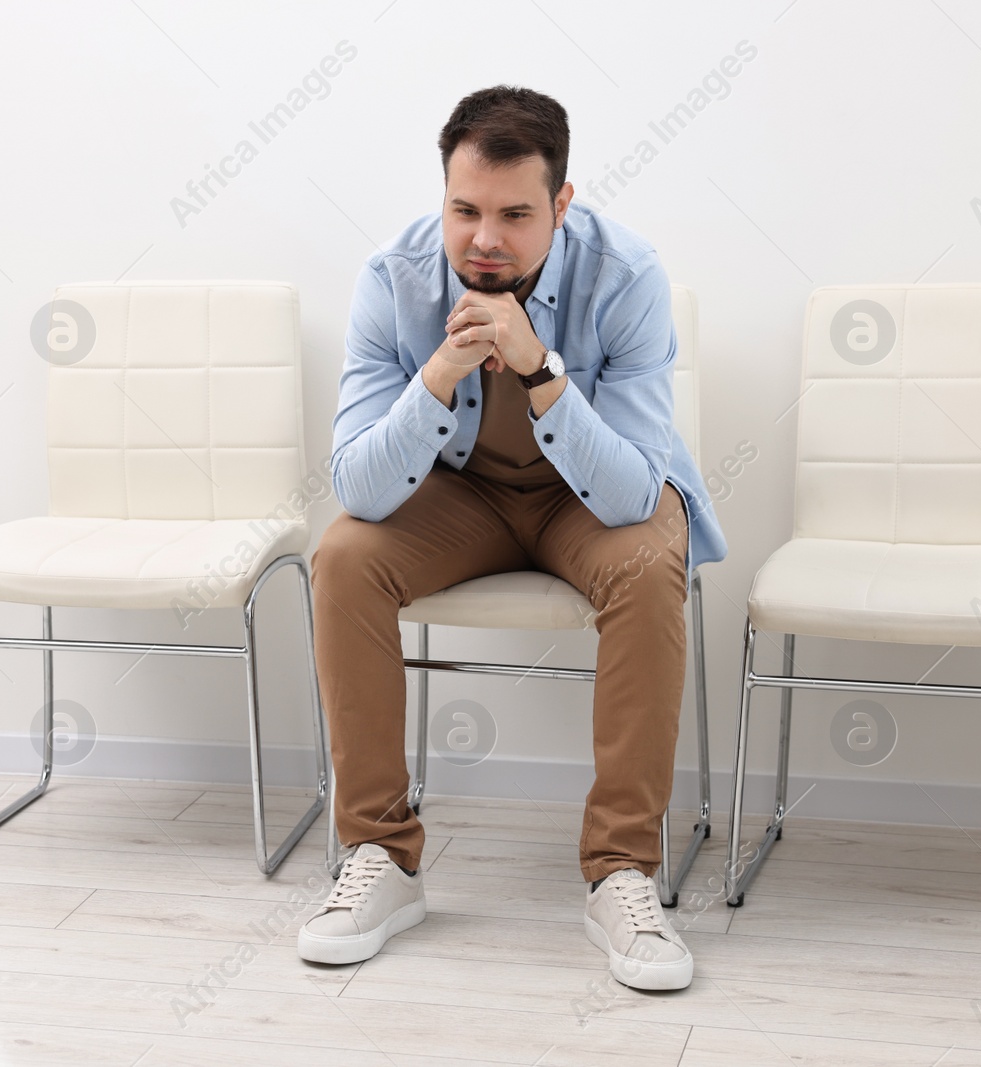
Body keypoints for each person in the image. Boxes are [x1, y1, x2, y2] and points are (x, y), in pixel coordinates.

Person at [296, 84, 728, 991]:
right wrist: (443, 369)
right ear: (443, 197)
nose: (483, 238)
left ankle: (621, 871)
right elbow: (363, 491)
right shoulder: (392, 278)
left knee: (652, 561)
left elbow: (628, 495)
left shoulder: (630, 276)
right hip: (460, 501)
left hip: (589, 495)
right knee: (341, 557)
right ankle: (381, 856)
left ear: (561, 206)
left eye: (514, 214)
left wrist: (536, 368)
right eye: (464, 209)